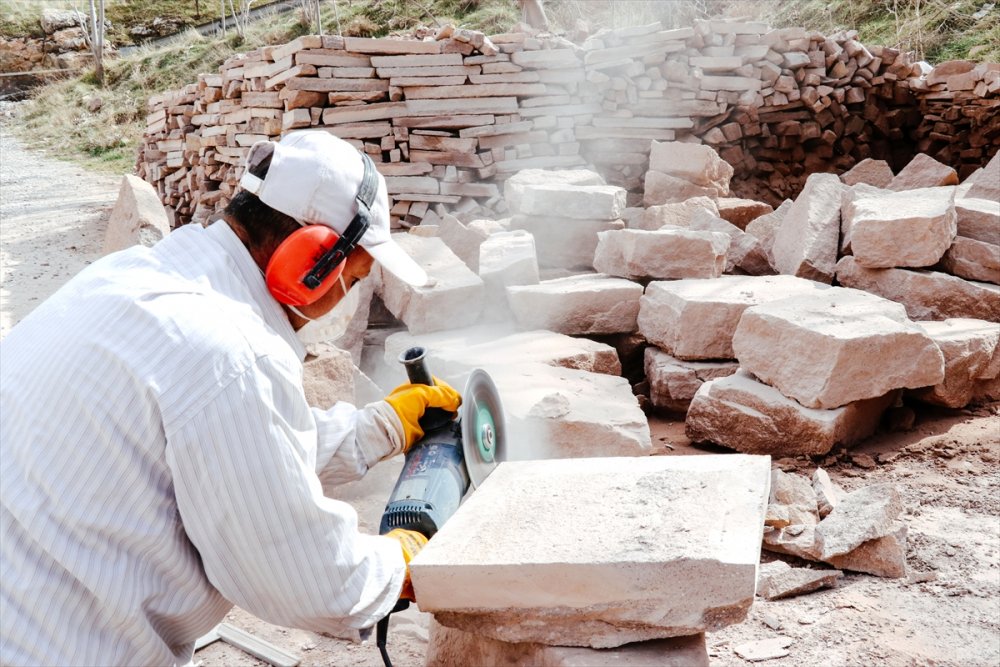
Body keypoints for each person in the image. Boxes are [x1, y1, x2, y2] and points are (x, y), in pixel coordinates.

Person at [0, 130, 461, 666]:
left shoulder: (127, 277)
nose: (347, 293)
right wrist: (399, 562)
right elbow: (301, 575)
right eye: (353, 277)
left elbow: (231, 457)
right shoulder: (230, 352)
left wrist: (377, 428)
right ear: (311, 259)